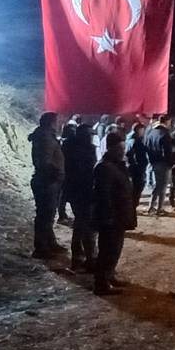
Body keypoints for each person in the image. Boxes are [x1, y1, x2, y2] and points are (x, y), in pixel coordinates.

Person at [91, 132, 137, 295]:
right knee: (108, 250)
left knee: (115, 249)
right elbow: (103, 195)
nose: (122, 151)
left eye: (123, 148)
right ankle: (101, 283)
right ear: (110, 148)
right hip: (111, 217)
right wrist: (107, 217)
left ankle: (109, 276)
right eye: (119, 148)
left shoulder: (116, 165)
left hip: (119, 215)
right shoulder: (104, 167)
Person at [28, 112, 66, 259]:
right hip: (46, 182)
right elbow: (45, 161)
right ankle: (41, 248)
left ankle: (50, 243)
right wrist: (56, 175)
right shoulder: (45, 138)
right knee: (45, 215)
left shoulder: (45, 136)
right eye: (56, 121)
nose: (58, 123)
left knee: (48, 215)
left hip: (46, 180)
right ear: (51, 122)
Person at [62, 124, 97, 270]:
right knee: (86, 225)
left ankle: (78, 256)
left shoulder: (68, 147)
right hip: (84, 190)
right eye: (89, 134)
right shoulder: (86, 149)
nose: (91, 137)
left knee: (80, 224)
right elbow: (88, 170)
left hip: (73, 190)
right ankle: (88, 258)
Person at [144, 115, 174, 215]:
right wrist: (170, 164)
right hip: (163, 164)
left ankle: (151, 206)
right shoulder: (165, 134)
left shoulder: (150, 132)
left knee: (156, 186)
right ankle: (159, 208)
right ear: (167, 121)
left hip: (153, 162)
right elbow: (167, 152)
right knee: (163, 186)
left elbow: (147, 146)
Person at [125, 122, 149, 214]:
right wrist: (140, 165)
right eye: (143, 130)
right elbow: (137, 155)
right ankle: (133, 208)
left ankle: (132, 208)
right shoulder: (136, 141)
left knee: (135, 189)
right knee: (137, 189)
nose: (144, 132)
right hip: (137, 168)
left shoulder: (130, 139)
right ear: (139, 130)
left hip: (133, 168)